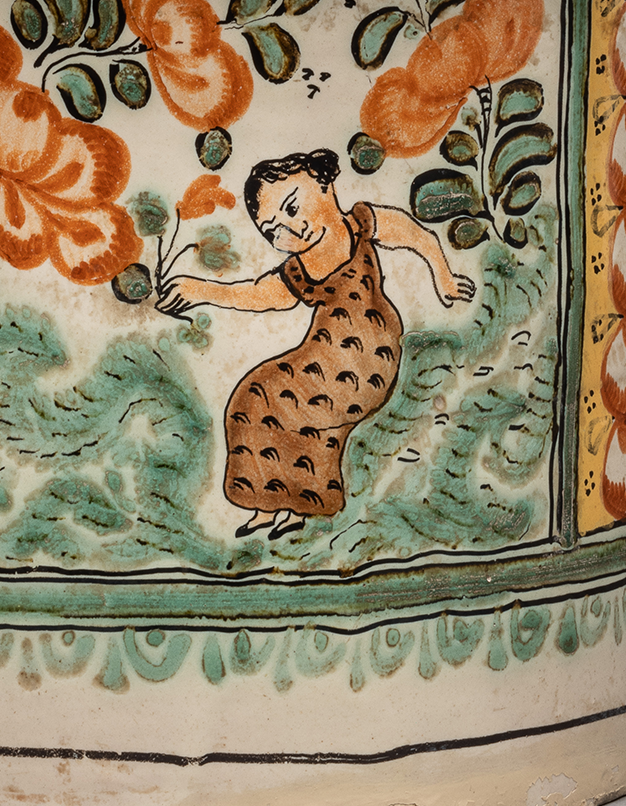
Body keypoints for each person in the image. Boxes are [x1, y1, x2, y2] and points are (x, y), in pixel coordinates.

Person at [157, 149, 476, 541]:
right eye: (273, 231)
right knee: (252, 398)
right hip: (323, 352)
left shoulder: (360, 225)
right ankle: (266, 503)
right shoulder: (300, 269)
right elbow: (258, 295)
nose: (291, 230)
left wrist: (444, 277)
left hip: (367, 354)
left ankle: (304, 503)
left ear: (325, 184)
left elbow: (414, 234)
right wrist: (201, 289)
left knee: (304, 408)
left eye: (293, 208)